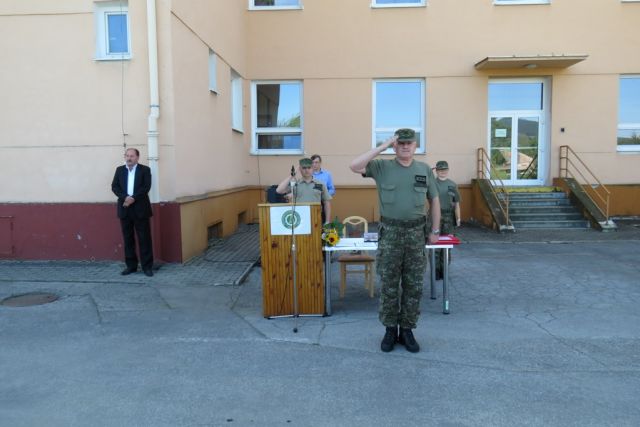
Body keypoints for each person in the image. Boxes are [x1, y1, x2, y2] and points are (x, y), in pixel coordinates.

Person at [350, 128, 441, 353]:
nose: (406, 147)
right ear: (395, 146)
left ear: (415, 146)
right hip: (390, 233)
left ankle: (407, 330)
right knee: (389, 285)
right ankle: (390, 330)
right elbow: (354, 165)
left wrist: (435, 230)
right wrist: (382, 146)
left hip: (416, 234)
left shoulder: (424, 169)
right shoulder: (382, 167)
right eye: (401, 143)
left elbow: (435, 200)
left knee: (413, 285)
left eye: (409, 143)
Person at [111, 148, 154, 277]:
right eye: (127, 156)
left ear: (137, 157)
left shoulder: (145, 170)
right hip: (125, 209)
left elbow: (146, 187)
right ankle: (131, 266)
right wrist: (125, 197)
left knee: (144, 239)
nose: (129, 158)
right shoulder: (119, 170)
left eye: (132, 156)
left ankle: (147, 267)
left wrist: (133, 198)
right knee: (128, 239)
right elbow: (115, 186)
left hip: (141, 209)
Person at [276, 158, 332, 224]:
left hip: (315, 218)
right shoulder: (295, 184)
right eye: (304, 168)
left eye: (309, 168)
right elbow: (279, 190)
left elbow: (326, 203)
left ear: (312, 169)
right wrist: (292, 175)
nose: (307, 170)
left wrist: (327, 221)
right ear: (300, 169)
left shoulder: (320, 184)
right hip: (299, 219)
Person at [433, 160, 461, 280]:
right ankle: (435, 271)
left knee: (447, 245)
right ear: (436, 171)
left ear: (448, 170)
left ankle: (444, 270)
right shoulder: (432, 183)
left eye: (445, 169)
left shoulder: (452, 184)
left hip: (449, 217)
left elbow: (457, 203)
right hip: (435, 216)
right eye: (440, 170)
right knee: (434, 245)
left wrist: (458, 217)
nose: (443, 172)